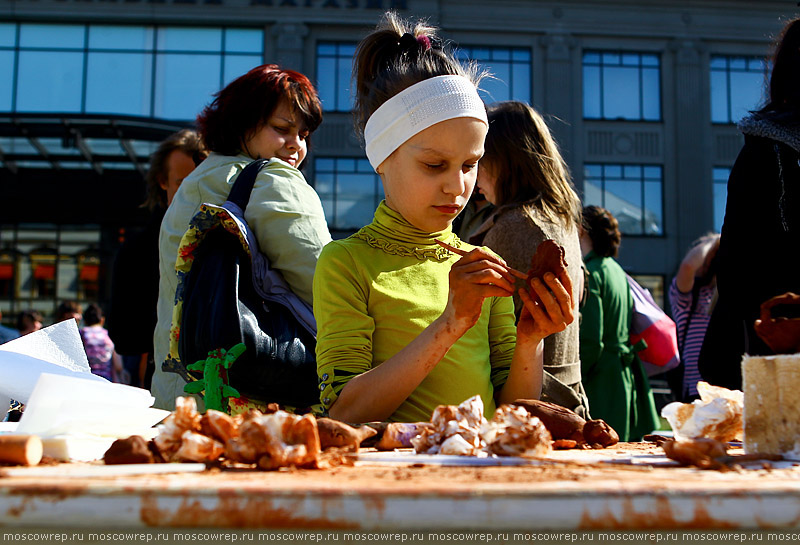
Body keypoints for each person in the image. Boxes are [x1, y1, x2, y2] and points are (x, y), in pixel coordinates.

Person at [313, 12, 574, 424]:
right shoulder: (346, 262)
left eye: (471, 164)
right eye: (435, 165)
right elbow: (344, 413)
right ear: (382, 159)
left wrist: (530, 342)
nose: (458, 187)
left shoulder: (480, 265)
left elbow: (513, 413)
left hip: (478, 479)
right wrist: (451, 323)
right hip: (391, 484)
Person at [152, 64, 332, 410]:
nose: (296, 145)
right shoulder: (272, 180)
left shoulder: (193, 184)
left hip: (179, 396)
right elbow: (328, 284)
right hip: (258, 403)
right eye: (282, 128)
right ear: (242, 123)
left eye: (304, 134)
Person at [469, 101, 589, 418]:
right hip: (563, 398)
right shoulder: (557, 217)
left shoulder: (516, 226)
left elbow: (478, 330)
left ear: (504, 160)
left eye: (481, 157)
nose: (474, 171)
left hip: (526, 404)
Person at [699, 17, 800, 391]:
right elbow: (739, 268)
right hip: (774, 351)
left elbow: (738, 269)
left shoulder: (765, 150)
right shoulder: (768, 151)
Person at [109, 129, 207, 389]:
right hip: (164, 384)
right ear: (162, 181)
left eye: (201, 183)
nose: (193, 194)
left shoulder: (238, 236)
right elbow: (123, 336)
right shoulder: (136, 249)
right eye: (182, 183)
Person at [579, 205, 659, 441]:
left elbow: (592, 338)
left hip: (601, 378)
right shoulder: (616, 270)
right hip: (624, 374)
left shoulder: (591, 271)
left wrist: (575, 378)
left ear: (582, 230)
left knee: (600, 450)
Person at [668, 233, 720, 402]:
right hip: (697, 388)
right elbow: (688, 266)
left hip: (727, 386)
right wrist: (715, 242)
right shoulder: (688, 296)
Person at [79, 303, 124, 382]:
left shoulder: (81, 334)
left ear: (85, 321)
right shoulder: (109, 336)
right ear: (102, 320)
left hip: (86, 379)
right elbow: (118, 366)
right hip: (106, 380)